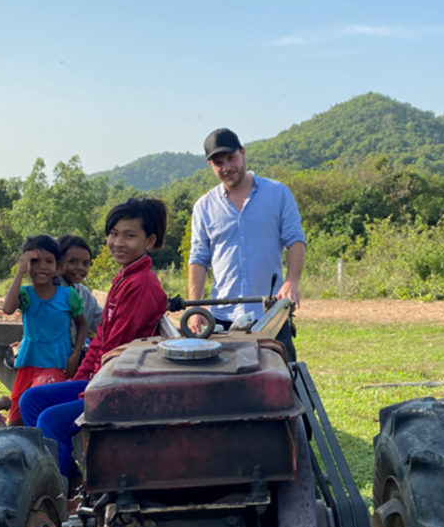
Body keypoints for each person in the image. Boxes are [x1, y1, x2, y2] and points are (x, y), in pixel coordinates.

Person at [20, 197, 168, 481]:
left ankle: (65, 494)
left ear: (149, 240)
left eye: (129, 236)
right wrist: (84, 376)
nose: (118, 242)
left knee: (51, 420)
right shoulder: (123, 278)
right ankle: (67, 482)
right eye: (113, 234)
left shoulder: (142, 285)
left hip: (125, 386)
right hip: (105, 378)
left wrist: (88, 390)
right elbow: (101, 338)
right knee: (31, 400)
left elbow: (119, 350)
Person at [187, 127, 306, 360]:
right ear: (210, 166)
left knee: (282, 384)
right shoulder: (204, 206)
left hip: (270, 313)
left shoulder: (278, 193)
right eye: (218, 163)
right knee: (225, 388)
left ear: (243, 153)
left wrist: (292, 281)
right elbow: (199, 258)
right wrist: (196, 307)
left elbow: (295, 240)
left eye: (231, 158)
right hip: (221, 318)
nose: (227, 167)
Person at [2, 235, 87, 425]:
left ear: (57, 266)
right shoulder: (26, 294)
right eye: (35, 261)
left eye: (49, 261)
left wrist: (75, 354)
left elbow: (82, 324)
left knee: (39, 407)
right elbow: (7, 308)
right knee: (15, 419)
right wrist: (19, 272)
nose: (42, 267)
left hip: (55, 363)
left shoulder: (67, 296)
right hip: (28, 362)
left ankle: (44, 451)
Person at [57, 234, 104, 337]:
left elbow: (102, 322)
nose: (80, 267)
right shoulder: (49, 290)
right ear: (58, 262)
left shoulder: (84, 293)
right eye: (72, 261)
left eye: (85, 263)